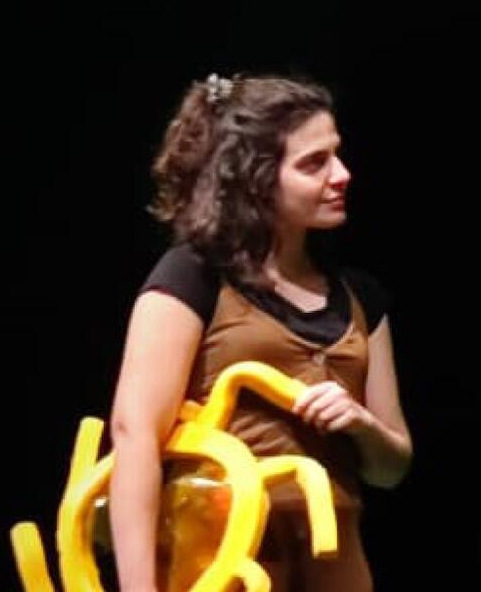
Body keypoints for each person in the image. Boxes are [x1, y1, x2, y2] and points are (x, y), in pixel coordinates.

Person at [109, 73, 412, 591]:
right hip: (222, 561)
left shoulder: (361, 297)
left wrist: (362, 425)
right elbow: (134, 434)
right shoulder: (195, 276)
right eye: (314, 163)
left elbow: (391, 468)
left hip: (334, 564)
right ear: (258, 178)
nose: (341, 174)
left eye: (336, 155)